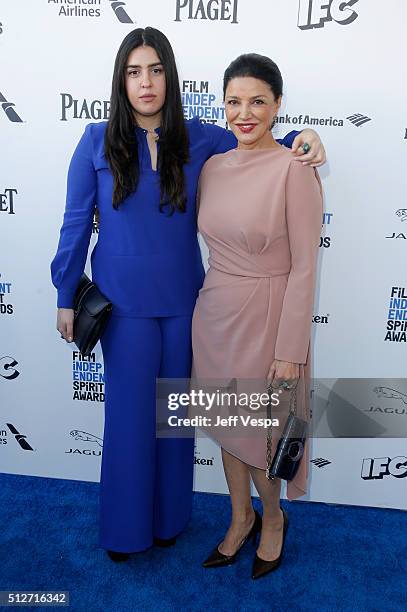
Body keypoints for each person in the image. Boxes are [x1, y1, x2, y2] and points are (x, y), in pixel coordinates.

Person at [50, 27, 326, 561]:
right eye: (134, 72)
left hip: (187, 305)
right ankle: (126, 532)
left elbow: (259, 142)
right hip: (122, 307)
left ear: (170, 77)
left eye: (155, 70)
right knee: (130, 421)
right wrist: (66, 293)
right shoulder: (94, 140)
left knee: (173, 423)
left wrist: (307, 137)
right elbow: (74, 224)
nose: (146, 82)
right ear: (121, 80)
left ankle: (171, 520)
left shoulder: (202, 138)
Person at [192, 53, 323, 579]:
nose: (244, 113)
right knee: (227, 427)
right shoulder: (212, 166)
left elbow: (305, 267)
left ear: (277, 106)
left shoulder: (295, 168)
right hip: (216, 311)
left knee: (261, 433)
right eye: (234, 102)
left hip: (268, 318)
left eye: (257, 102)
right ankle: (239, 516)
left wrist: (290, 350)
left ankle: (273, 519)